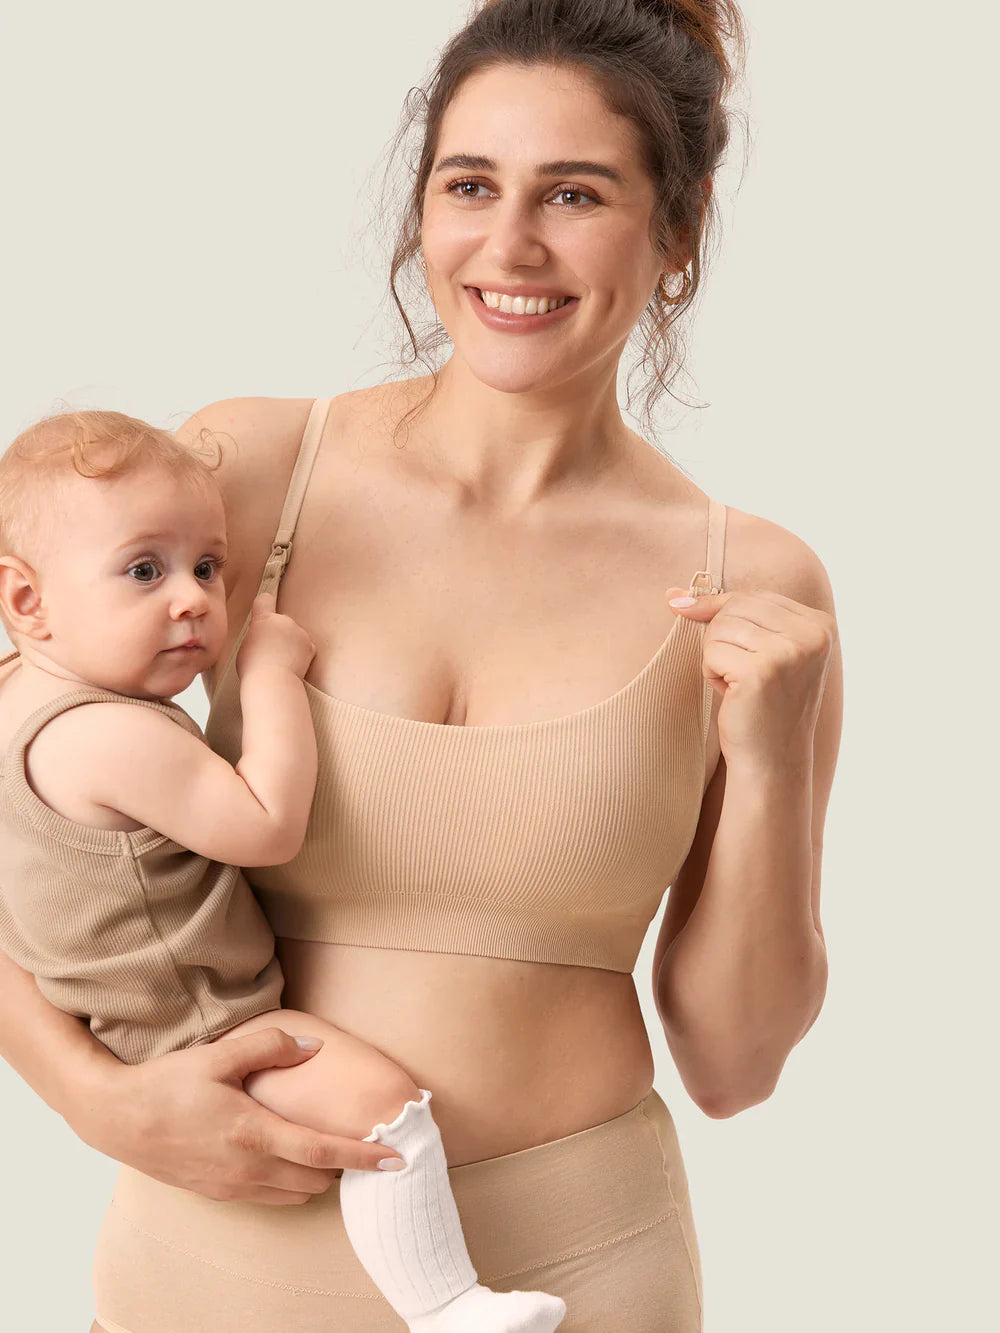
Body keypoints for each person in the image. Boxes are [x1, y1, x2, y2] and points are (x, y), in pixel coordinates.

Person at [0, 1, 841, 1329]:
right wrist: (91, 1096)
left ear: (678, 228)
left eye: (574, 193)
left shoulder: (757, 585)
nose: (510, 246)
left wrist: (773, 762)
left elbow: (734, 1066)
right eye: (470, 185)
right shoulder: (244, 480)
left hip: (577, 1275)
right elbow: (18, 801)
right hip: (205, 1280)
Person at [0, 408, 568, 1333]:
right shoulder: (107, 735)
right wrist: (267, 671)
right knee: (384, 1108)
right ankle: (448, 1306)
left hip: (132, 1026)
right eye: (144, 570)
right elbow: (266, 823)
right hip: (204, 1025)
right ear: (27, 600)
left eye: (207, 567)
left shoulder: (16, 702)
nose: (191, 599)